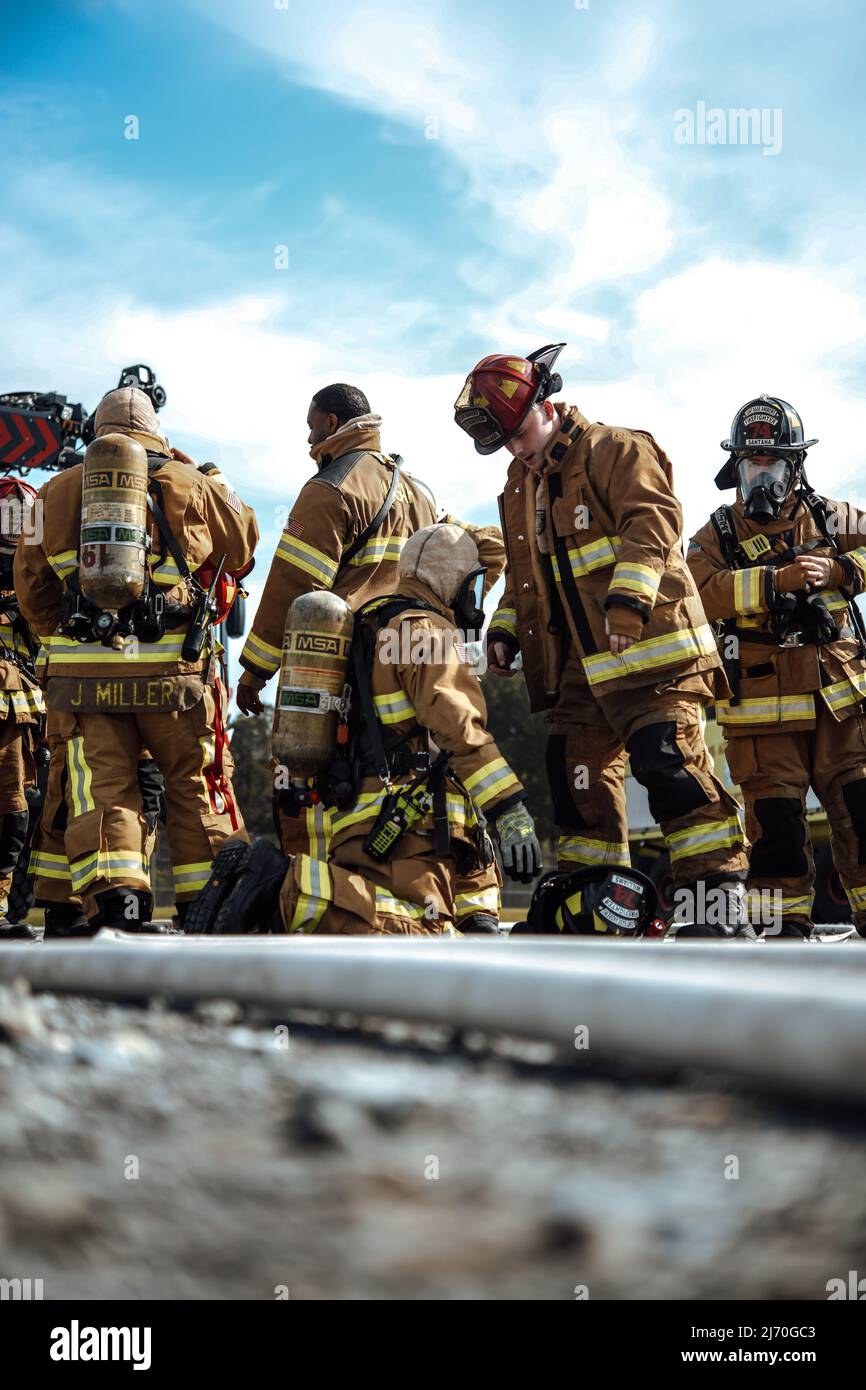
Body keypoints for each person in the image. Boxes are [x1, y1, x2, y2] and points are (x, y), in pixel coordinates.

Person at [454, 344, 748, 937]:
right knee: (572, 778)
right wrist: (507, 631)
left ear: (549, 404)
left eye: (519, 433)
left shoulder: (616, 449)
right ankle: (598, 911)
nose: (516, 449)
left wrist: (628, 601)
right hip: (582, 675)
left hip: (655, 660)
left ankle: (718, 910)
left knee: (671, 769)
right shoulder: (520, 483)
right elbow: (523, 575)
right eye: (505, 442)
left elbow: (655, 522)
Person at [187, 522, 542, 936]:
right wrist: (509, 809)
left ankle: (275, 890)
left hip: (366, 822)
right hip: (409, 829)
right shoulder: (426, 631)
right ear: (454, 583)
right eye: (473, 587)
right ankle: (282, 885)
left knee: (408, 926)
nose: (476, 600)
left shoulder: (369, 627)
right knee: (424, 936)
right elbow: (459, 727)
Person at [14, 387, 258, 931]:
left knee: (102, 789)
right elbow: (243, 549)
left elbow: (30, 584)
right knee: (195, 784)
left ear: (95, 430)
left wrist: (65, 638)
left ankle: (120, 903)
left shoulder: (52, 492)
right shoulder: (189, 482)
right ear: (156, 428)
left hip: (84, 685)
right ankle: (207, 908)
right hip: (178, 680)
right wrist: (210, 484)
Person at [688, 395, 866, 939]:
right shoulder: (716, 534)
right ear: (736, 468)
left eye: (772, 465)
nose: (760, 476)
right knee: (776, 829)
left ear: (796, 466)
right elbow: (698, 590)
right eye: (751, 465)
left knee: (863, 810)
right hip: (763, 713)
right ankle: (781, 934)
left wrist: (838, 570)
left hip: (841, 701)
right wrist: (775, 583)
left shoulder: (832, 518)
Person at [0, 478, 44, 940]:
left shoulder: (36, 573)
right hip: (9, 708)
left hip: (25, 715)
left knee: (17, 813)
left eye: (22, 519)